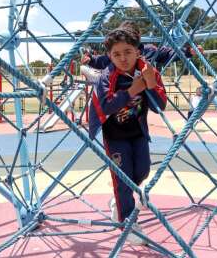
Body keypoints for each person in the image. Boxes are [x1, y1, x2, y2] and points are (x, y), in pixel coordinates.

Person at [88, 27, 167, 245]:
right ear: (109, 56)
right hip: (114, 135)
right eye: (116, 54)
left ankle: (118, 202)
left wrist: (150, 84)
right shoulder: (107, 76)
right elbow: (106, 105)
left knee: (141, 171)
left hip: (138, 133)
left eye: (128, 52)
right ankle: (128, 222)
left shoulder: (147, 70)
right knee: (123, 179)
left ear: (138, 52)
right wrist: (133, 90)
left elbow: (160, 105)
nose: (123, 58)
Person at [80, 21, 203, 84]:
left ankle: (99, 78)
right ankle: (99, 78)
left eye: (131, 35)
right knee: (113, 62)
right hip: (120, 88)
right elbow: (104, 59)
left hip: (140, 86)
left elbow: (168, 54)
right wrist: (91, 59)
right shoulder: (118, 53)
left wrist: (187, 51)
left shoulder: (149, 50)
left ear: (138, 37)